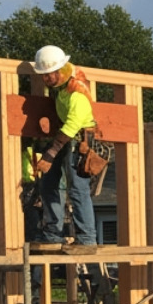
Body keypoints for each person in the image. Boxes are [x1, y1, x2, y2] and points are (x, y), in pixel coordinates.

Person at [29, 45, 99, 250]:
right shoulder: (61, 90)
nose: (45, 79)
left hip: (78, 141)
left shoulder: (77, 91)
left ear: (60, 70)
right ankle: (52, 233)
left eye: (48, 74)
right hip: (66, 139)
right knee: (49, 184)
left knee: (77, 189)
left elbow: (72, 125)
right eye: (43, 75)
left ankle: (87, 238)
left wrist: (50, 153)